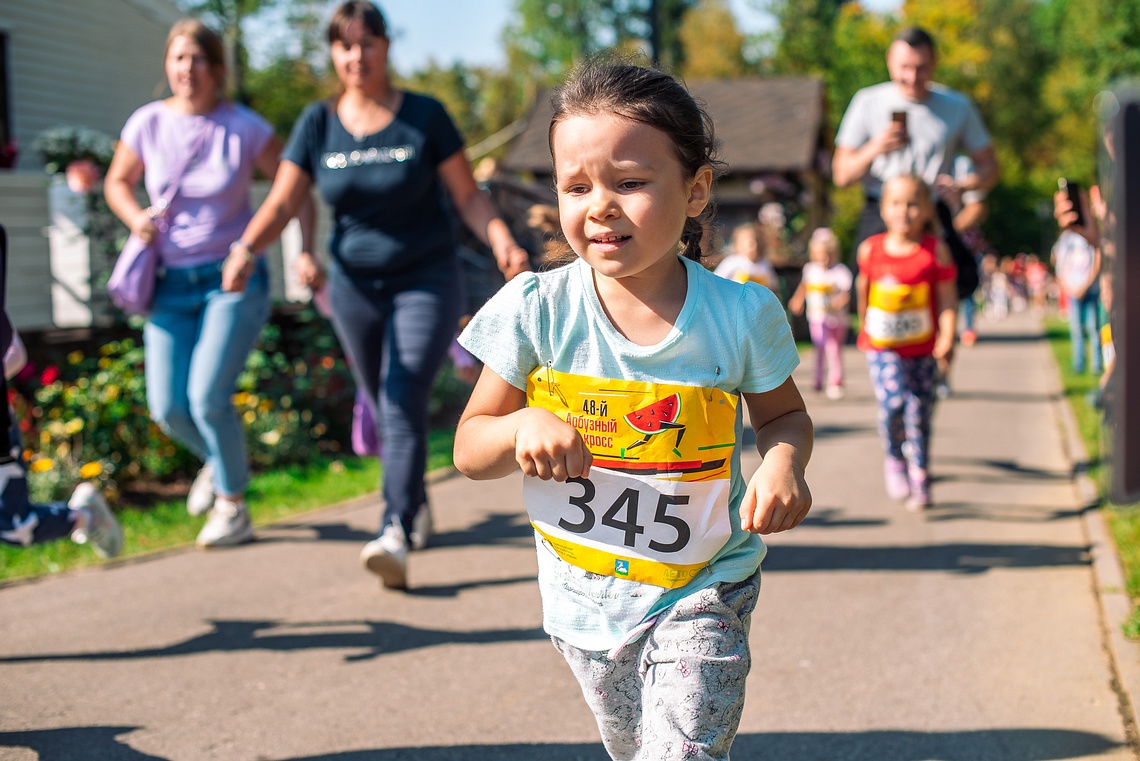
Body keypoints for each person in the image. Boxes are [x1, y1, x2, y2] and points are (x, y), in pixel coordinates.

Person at [453, 60, 813, 760]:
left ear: (696, 189)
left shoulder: (740, 315)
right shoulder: (536, 311)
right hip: (584, 606)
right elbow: (470, 446)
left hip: (704, 586)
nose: (601, 205)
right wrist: (522, 422)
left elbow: (782, 416)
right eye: (577, 186)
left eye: (630, 182)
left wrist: (783, 461)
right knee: (633, 747)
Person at [230, 0, 531, 589]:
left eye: (367, 43)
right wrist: (245, 248)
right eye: (344, 45)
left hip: (425, 279)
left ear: (386, 47)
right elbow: (283, 200)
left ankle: (394, 525)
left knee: (401, 397)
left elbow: (467, 195)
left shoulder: (424, 116)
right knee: (383, 400)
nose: (356, 55)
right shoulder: (318, 124)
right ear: (333, 54)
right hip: (353, 290)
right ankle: (413, 496)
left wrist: (500, 238)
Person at [105, 20, 314, 550]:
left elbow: (295, 191)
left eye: (197, 59)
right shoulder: (147, 123)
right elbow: (117, 182)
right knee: (167, 407)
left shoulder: (245, 128)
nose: (186, 69)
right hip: (168, 283)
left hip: (231, 278)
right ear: (167, 66)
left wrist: (305, 247)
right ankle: (220, 467)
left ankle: (233, 505)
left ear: (218, 69)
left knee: (206, 397)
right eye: (177, 58)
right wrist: (135, 218)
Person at [832, 26, 998, 302]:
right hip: (881, 210)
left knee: (951, 288)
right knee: (869, 295)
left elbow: (990, 168)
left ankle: (936, 344)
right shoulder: (867, 102)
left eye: (921, 68)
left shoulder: (956, 106)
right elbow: (841, 175)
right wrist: (876, 146)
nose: (911, 77)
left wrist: (963, 185)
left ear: (934, 64)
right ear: (889, 61)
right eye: (904, 67)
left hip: (933, 212)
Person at [856, 174, 957, 511]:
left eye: (914, 203)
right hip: (883, 348)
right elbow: (864, 291)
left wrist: (947, 336)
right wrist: (864, 327)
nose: (905, 211)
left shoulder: (935, 251)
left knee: (919, 412)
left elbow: (946, 299)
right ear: (883, 209)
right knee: (893, 404)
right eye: (896, 203)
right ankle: (895, 457)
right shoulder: (871, 249)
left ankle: (921, 472)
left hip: (922, 350)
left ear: (927, 209)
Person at [788, 228, 852, 399]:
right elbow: (804, 287)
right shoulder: (811, 270)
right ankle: (818, 379)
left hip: (837, 319)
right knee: (820, 347)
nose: (824, 259)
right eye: (820, 255)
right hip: (817, 317)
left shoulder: (840, 271)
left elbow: (846, 294)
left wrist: (838, 302)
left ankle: (836, 380)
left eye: (827, 254)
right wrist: (797, 300)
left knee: (834, 349)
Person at [1052, 226, 1102, 375]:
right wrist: (1067, 286)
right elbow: (1058, 262)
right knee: (1076, 329)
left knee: (1094, 329)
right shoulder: (1065, 238)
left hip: (1090, 287)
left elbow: (1097, 258)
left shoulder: (1089, 234)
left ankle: (1096, 366)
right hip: (1072, 289)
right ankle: (1078, 365)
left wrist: (1086, 285)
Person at [713, 222, 777, 292]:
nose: (752, 245)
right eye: (747, 241)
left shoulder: (765, 264)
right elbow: (715, 283)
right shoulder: (732, 262)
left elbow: (772, 288)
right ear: (737, 244)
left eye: (755, 240)